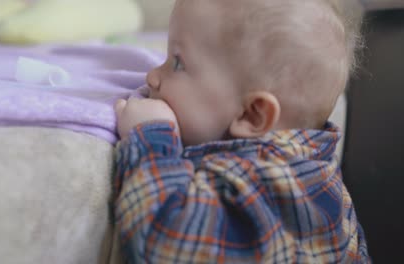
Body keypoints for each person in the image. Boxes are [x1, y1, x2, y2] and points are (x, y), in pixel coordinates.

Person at [113, 0, 370, 262]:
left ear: (252, 115)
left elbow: (162, 245)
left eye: (178, 63)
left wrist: (151, 138)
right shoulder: (313, 164)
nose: (152, 76)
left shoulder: (273, 189)